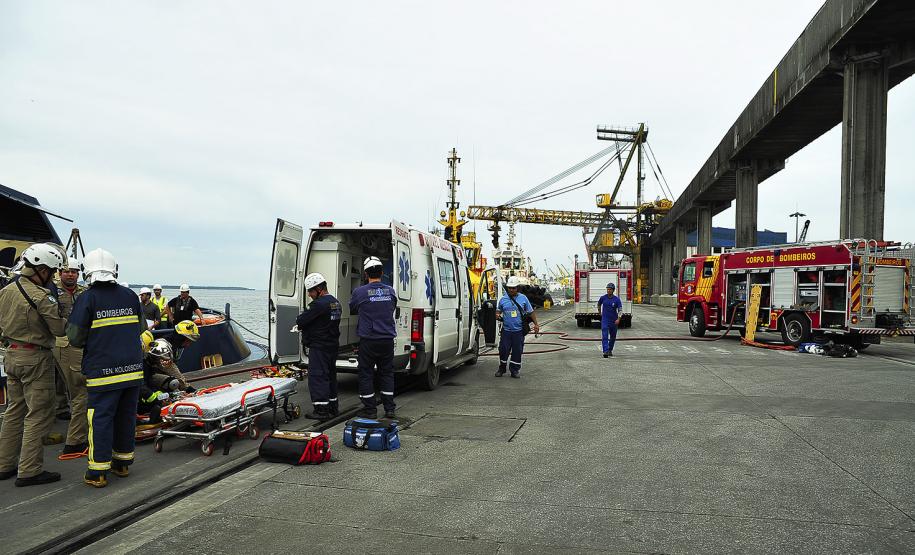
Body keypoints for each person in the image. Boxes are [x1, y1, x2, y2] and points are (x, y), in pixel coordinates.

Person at [67, 248, 146, 488]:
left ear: (86, 272)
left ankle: (97, 471)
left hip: (103, 373)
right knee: (126, 416)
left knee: (100, 418)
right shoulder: (131, 296)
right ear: (115, 269)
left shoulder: (87, 298)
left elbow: (74, 338)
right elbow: (141, 327)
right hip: (133, 370)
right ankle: (122, 463)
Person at [0, 243, 67, 486]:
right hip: (35, 358)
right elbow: (59, 329)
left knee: (13, 411)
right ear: (41, 269)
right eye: (51, 271)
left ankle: (4, 464)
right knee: (37, 414)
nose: (52, 276)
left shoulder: (6, 291)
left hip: (11, 355)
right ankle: (29, 470)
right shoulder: (41, 296)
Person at [349, 256, 397, 419]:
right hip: (387, 340)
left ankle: (370, 410)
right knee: (387, 373)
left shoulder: (359, 292)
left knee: (366, 373)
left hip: (368, 340)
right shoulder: (390, 291)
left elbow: (353, 308)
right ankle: (389, 408)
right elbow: (392, 306)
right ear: (382, 273)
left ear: (365, 273)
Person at [54, 256, 90, 457]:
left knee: (72, 385)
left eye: (74, 272)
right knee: (77, 390)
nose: (70, 274)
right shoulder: (52, 291)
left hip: (75, 344)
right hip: (59, 341)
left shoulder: (84, 292)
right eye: (67, 271)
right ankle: (75, 439)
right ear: (60, 272)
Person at [296, 272, 342, 421]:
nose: (309, 295)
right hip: (332, 345)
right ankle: (333, 408)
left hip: (319, 346)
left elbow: (301, 320)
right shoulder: (336, 303)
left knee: (317, 376)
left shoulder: (318, 304)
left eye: (310, 291)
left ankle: (321, 410)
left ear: (319, 289)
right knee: (330, 376)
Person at [495, 275, 539, 378]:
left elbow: (531, 312)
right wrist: (497, 315)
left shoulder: (523, 298)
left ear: (517, 288)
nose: (511, 290)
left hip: (518, 331)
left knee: (517, 351)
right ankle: (502, 368)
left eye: (513, 288)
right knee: (503, 350)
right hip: (506, 331)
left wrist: (536, 324)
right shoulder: (503, 300)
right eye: (510, 288)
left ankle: (514, 370)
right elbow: (498, 311)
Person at [138, 339, 181, 424]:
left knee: (169, 385)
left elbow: (149, 383)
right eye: (159, 358)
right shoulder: (142, 365)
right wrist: (158, 400)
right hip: (137, 397)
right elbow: (141, 388)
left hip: (143, 391)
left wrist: (161, 394)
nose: (160, 361)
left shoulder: (149, 365)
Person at [597, 282, 623, 358]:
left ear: (613, 290)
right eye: (607, 289)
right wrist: (599, 312)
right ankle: (605, 351)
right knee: (604, 335)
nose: (608, 291)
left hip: (613, 320)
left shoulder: (617, 300)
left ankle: (610, 350)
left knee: (613, 336)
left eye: (610, 289)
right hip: (605, 319)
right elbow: (599, 304)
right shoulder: (603, 298)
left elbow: (620, 310)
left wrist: (618, 319)